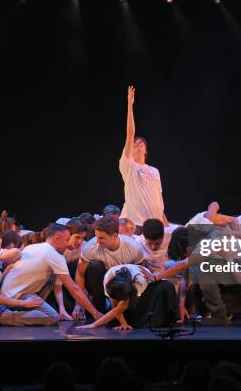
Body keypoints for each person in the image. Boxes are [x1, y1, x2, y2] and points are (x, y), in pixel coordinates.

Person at [0, 223, 102, 326]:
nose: (67, 244)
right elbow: (74, 289)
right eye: (66, 240)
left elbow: (57, 284)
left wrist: (62, 309)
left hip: (10, 293)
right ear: (57, 238)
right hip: (17, 296)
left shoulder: (33, 247)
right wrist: (95, 313)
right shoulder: (54, 255)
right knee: (52, 317)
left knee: (52, 278)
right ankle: (4, 316)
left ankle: (8, 312)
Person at [72, 216, 147, 318]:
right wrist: (78, 303)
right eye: (96, 236)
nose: (97, 241)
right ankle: (99, 309)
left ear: (115, 235)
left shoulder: (133, 248)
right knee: (95, 267)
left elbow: (141, 274)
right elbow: (80, 274)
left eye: (101, 238)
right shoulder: (91, 247)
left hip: (123, 285)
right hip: (100, 284)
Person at [119, 85, 167, 234]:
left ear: (145, 150)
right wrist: (129, 105)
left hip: (155, 224)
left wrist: (165, 222)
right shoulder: (129, 166)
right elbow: (130, 133)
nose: (138, 144)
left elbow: (159, 199)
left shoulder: (155, 171)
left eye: (141, 143)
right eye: (135, 144)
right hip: (136, 225)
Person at [76, 264, 179, 330]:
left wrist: (93, 325)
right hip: (122, 287)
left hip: (147, 288)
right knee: (116, 316)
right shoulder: (109, 278)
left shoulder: (139, 280)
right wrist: (123, 323)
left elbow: (120, 308)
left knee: (165, 286)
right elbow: (115, 307)